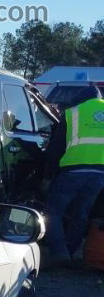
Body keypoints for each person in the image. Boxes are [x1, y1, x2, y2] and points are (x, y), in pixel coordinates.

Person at [42, 96, 104, 265]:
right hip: (99, 174)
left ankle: (59, 252)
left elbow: (56, 149)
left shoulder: (72, 113)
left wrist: (48, 176)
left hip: (72, 170)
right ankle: (69, 252)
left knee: (53, 212)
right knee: (81, 214)